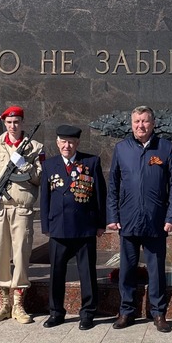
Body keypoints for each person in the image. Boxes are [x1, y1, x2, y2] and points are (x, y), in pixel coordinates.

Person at [107, 105, 172, 332]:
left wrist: (171, 217)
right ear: (131, 124)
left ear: (153, 123)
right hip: (128, 219)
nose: (141, 125)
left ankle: (158, 313)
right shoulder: (122, 149)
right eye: (137, 121)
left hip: (156, 220)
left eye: (145, 121)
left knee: (156, 269)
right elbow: (113, 186)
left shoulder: (165, 148)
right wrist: (112, 215)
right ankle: (126, 311)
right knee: (127, 268)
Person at [39, 124, 108, 330]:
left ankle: (87, 313)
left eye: (70, 142)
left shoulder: (90, 162)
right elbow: (45, 197)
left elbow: (100, 195)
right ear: (57, 143)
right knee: (56, 273)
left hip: (84, 227)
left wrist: (100, 224)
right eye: (63, 141)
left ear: (77, 143)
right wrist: (46, 225)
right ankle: (56, 312)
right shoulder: (50, 165)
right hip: (58, 227)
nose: (66, 146)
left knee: (86, 272)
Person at [0, 106, 43, 324]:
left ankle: (18, 304)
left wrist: (25, 166)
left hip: (22, 210)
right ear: (4, 123)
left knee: (22, 256)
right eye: (9, 122)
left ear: (22, 123)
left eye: (16, 122)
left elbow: (40, 178)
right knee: (0, 255)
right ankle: (3, 303)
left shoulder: (35, 147)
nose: (13, 126)